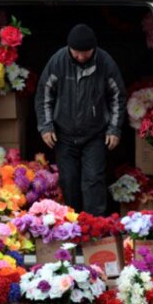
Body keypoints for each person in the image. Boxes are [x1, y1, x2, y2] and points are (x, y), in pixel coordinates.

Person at [35, 24, 126, 216]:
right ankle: (71, 227)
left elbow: (117, 96)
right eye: (76, 52)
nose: (81, 57)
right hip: (64, 135)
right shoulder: (58, 61)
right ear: (69, 48)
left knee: (93, 181)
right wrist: (46, 126)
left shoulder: (105, 62)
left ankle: (94, 228)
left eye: (86, 52)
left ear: (94, 48)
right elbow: (44, 95)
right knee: (68, 181)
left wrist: (114, 129)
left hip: (95, 135)